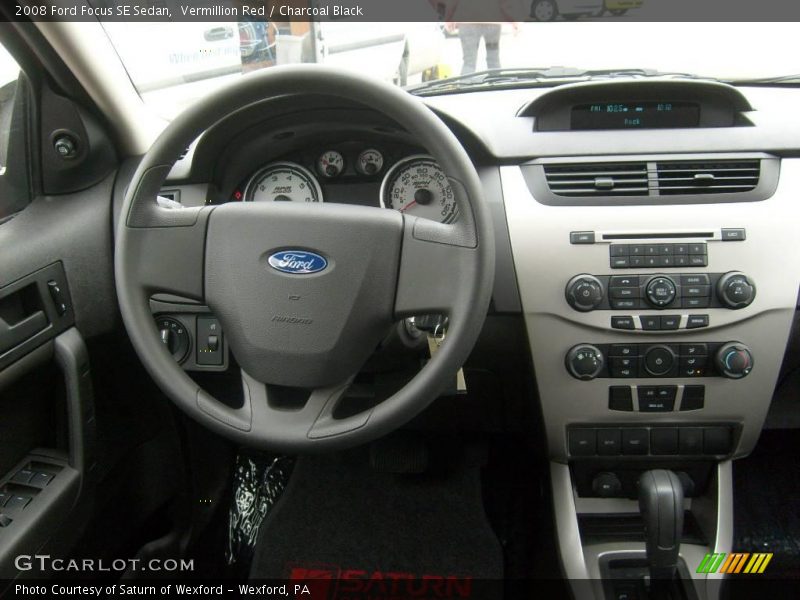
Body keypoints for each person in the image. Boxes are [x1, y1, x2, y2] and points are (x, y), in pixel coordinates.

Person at [444, 0, 520, 75]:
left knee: (469, 63)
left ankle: (466, 84)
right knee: (493, 59)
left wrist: (449, 18)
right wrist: (513, 20)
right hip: (492, 22)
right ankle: (495, 82)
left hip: (468, 22)